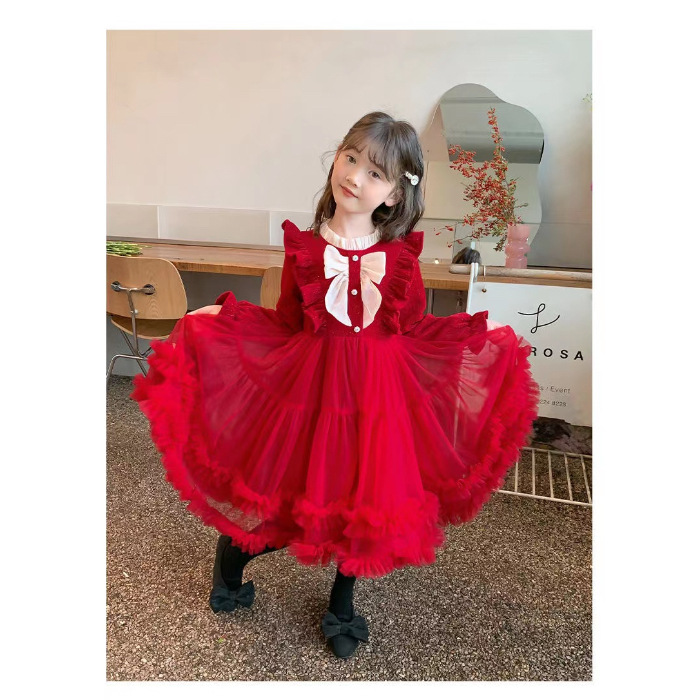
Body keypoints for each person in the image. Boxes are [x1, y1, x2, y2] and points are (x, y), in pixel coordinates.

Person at [131, 111, 539, 660]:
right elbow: (284, 323)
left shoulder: (400, 258)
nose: (354, 177)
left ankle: (341, 604)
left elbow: (412, 328)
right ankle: (235, 554)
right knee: (292, 497)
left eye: (375, 173)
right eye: (350, 158)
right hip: (311, 395)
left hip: (378, 401)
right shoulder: (304, 250)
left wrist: (475, 331)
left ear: (394, 194)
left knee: (362, 505)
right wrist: (224, 318)